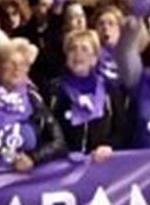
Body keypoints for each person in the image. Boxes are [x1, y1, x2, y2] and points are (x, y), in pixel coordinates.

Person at [0, 39, 65, 170]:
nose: (17, 68)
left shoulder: (33, 100)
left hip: (21, 182)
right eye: (10, 63)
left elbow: (58, 143)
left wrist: (33, 158)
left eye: (23, 64)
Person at [51, 30, 132, 159]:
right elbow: (47, 134)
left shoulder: (109, 90)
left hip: (100, 168)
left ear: (94, 58)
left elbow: (122, 130)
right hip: (65, 167)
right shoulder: (54, 91)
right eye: (72, 49)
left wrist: (109, 146)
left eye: (84, 49)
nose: (78, 54)